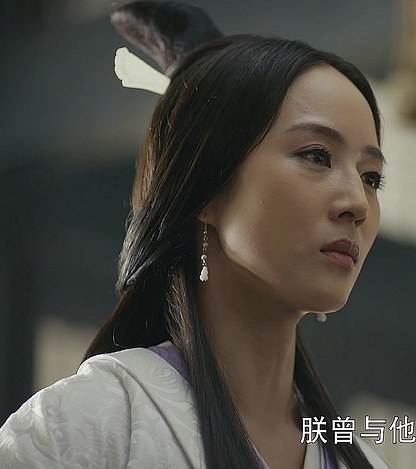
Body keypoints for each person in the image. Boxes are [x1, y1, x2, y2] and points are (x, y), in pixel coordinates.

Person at [0, 1, 390, 468]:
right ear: (207, 188)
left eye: (371, 177)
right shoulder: (89, 425)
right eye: (316, 156)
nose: (358, 203)